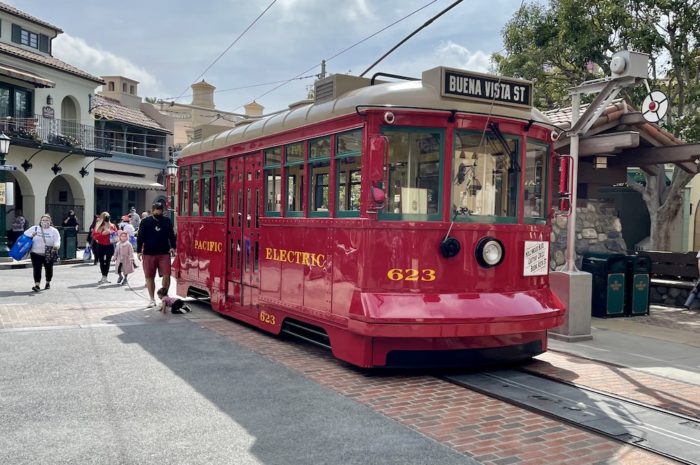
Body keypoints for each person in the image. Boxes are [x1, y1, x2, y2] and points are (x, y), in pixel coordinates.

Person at [137, 202, 176, 308]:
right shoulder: (145, 222)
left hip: (164, 252)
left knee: (167, 275)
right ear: (152, 210)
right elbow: (140, 236)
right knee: (149, 276)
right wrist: (139, 251)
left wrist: (173, 247)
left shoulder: (167, 221)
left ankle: (164, 298)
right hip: (149, 253)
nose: (158, 211)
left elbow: (171, 235)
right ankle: (152, 299)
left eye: (160, 209)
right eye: (156, 209)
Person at [24, 214, 60, 292]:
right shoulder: (35, 228)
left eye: (47, 220)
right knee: (37, 269)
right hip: (35, 253)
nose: (45, 222)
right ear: (40, 221)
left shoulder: (54, 230)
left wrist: (56, 246)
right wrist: (31, 235)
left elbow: (57, 240)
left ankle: (48, 282)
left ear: (50, 221)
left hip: (49, 252)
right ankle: (37, 285)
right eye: (43, 220)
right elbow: (25, 235)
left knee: (48, 268)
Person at [92, 212, 117, 284]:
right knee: (102, 261)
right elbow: (94, 236)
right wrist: (102, 233)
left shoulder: (112, 225)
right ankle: (103, 276)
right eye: (105, 217)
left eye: (107, 217)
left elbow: (116, 235)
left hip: (109, 245)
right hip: (100, 245)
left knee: (108, 261)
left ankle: (105, 276)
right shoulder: (98, 226)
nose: (106, 219)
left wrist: (110, 232)